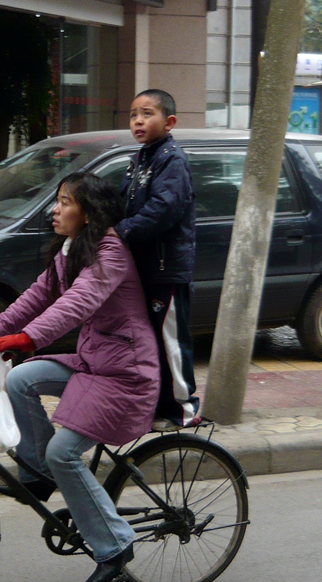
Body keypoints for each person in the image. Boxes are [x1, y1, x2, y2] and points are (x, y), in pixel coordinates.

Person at [0, 172, 160, 582]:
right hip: (93, 360)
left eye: (65, 202)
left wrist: (28, 338)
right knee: (22, 378)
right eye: (57, 200)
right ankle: (39, 473)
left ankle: (115, 544)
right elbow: (39, 295)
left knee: (65, 451)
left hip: (126, 372)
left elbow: (76, 303)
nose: (55, 209)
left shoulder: (110, 251)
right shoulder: (70, 249)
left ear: (89, 213)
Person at [116, 88, 200, 429]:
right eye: (134, 114)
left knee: (171, 341)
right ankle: (156, 406)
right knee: (151, 342)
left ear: (169, 122)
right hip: (146, 268)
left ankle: (184, 409)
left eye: (147, 113)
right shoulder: (141, 159)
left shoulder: (171, 160)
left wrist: (121, 230)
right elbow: (123, 201)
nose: (138, 120)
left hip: (167, 270)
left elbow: (163, 209)